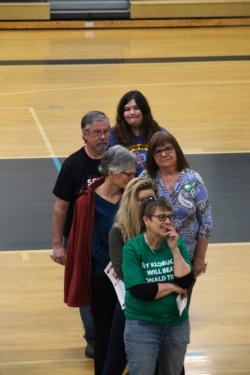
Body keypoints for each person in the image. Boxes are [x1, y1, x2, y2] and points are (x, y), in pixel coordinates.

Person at [64, 145, 137, 375]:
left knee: (131, 331)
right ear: (112, 173)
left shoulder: (131, 198)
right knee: (104, 333)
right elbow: (90, 243)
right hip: (102, 276)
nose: (132, 178)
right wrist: (116, 267)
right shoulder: (87, 202)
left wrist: (129, 268)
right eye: (128, 174)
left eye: (134, 174)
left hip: (130, 273)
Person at [51, 110, 111, 358]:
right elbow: (61, 207)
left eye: (106, 131)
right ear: (85, 135)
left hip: (110, 235)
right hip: (79, 237)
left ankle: (113, 334)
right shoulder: (73, 165)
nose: (103, 137)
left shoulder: (116, 159)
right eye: (97, 132)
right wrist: (58, 244)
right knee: (85, 288)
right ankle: (94, 338)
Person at [122, 196, 194, 375]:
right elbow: (141, 290)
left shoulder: (177, 243)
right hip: (142, 326)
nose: (167, 222)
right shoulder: (132, 248)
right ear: (146, 220)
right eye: (161, 217)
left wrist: (174, 249)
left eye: (170, 217)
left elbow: (186, 281)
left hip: (177, 324)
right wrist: (172, 287)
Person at [142, 131, 213, 304]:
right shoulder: (146, 180)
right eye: (158, 151)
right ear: (152, 156)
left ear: (177, 150)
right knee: (156, 307)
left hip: (186, 256)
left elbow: (206, 221)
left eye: (168, 148)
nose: (164, 154)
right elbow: (137, 218)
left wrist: (200, 259)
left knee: (181, 307)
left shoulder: (193, 179)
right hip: (154, 259)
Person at [102, 177, 159, 375]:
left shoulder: (163, 227)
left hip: (160, 307)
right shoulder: (119, 232)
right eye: (143, 199)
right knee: (114, 364)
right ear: (131, 202)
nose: (149, 204)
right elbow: (125, 272)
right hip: (130, 305)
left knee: (170, 366)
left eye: (152, 199)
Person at [109, 90, 166, 175]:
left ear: (144, 110)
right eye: (127, 109)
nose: (132, 112)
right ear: (122, 113)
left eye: (136, 108)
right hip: (126, 185)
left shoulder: (160, 133)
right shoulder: (112, 136)